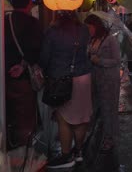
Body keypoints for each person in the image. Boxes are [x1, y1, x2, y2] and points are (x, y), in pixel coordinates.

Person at [40, 11, 92, 169]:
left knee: (64, 118)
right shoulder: (84, 29)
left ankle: (66, 154)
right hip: (83, 77)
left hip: (61, 80)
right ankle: (79, 152)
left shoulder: (52, 31)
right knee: (81, 118)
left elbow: (44, 57)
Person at [4, 0, 42, 149]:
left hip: (3, 76)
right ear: (29, 2)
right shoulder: (32, 23)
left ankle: (10, 146)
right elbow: (38, 50)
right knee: (25, 116)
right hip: (23, 78)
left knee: (8, 113)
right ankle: (23, 153)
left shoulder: (4, 20)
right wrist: (23, 65)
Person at [84, 14, 121, 151]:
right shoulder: (91, 40)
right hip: (95, 78)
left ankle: (109, 138)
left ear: (96, 26)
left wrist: (100, 61)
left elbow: (117, 60)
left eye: (89, 27)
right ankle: (96, 133)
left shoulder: (110, 39)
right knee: (95, 108)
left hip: (109, 80)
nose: (88, 30)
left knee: (108, 109)